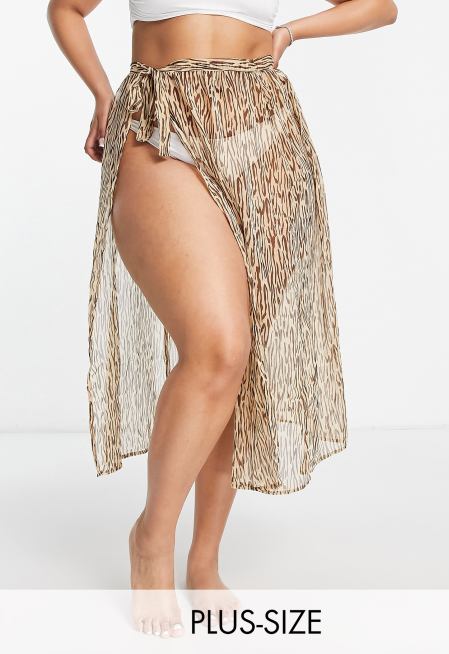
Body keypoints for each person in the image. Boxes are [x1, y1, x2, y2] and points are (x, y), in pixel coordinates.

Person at [47, 0, 398, 638]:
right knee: (217, 346)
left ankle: (204, 560)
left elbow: (381, 8)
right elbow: (67, 8)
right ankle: (152, 540)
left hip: (261, 132)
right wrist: (101, 94)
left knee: (243, 360)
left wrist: (289, 32)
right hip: (159, 123)